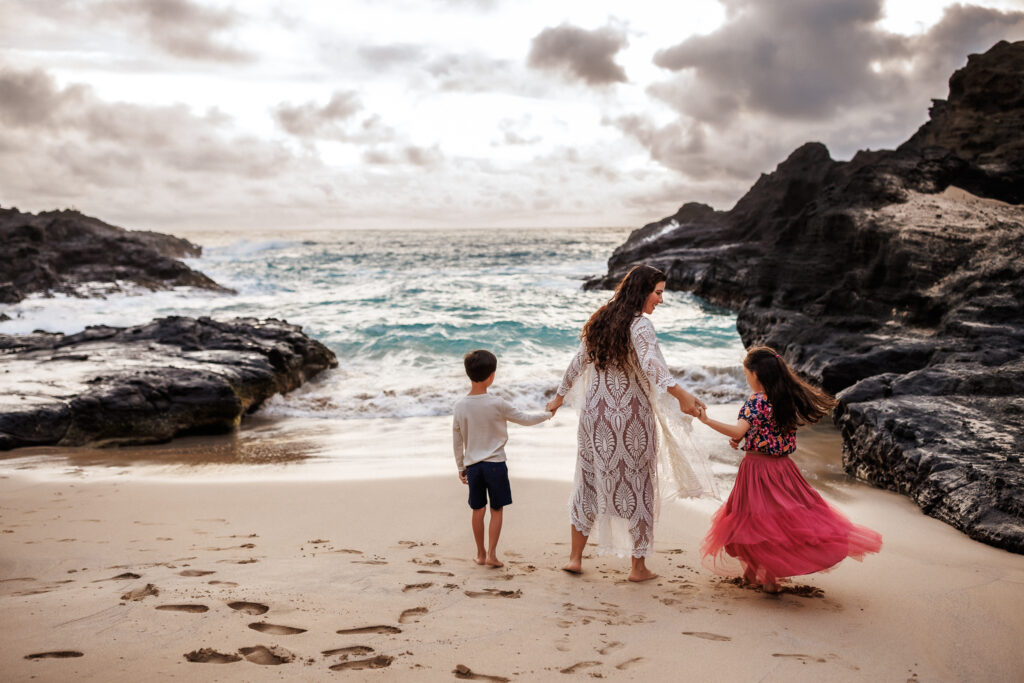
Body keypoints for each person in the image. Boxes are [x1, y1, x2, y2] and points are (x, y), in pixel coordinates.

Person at [546, 264, 717, 582]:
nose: (660, 300)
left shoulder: (601, 318)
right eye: (658, 292)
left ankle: (575, 558)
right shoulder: (640, 325)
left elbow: (576, 363)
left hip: (594, 418)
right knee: (637, 485)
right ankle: (638, 568)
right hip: (629, 419)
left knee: (588, 481)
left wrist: (558, 397)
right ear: (642, 291)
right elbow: (653, 366)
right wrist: (682, 395)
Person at [697, 346, 882, 593]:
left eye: (746, 375)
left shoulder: (755, 401)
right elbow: (768, 432)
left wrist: (706, 420)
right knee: (777, 519)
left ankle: (769, 579)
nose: (747, 380)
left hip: (757, 470)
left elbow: (738, 430)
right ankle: (752, 573)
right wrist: (746, 439)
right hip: (784, 468)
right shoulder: (785, 398)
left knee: (756, 522)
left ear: (755, 374)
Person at [453, 349, 552, 568]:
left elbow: (457, 440)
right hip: (496, 465)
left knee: (477, 510)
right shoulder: (497, 403)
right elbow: (525, 419)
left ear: (468, 374)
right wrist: (548, 413)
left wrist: (461, 466)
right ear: (492, 375)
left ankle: (480, 554)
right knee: (496, 509)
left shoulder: (460, 406)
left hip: (473, 467)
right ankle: (492, 555)